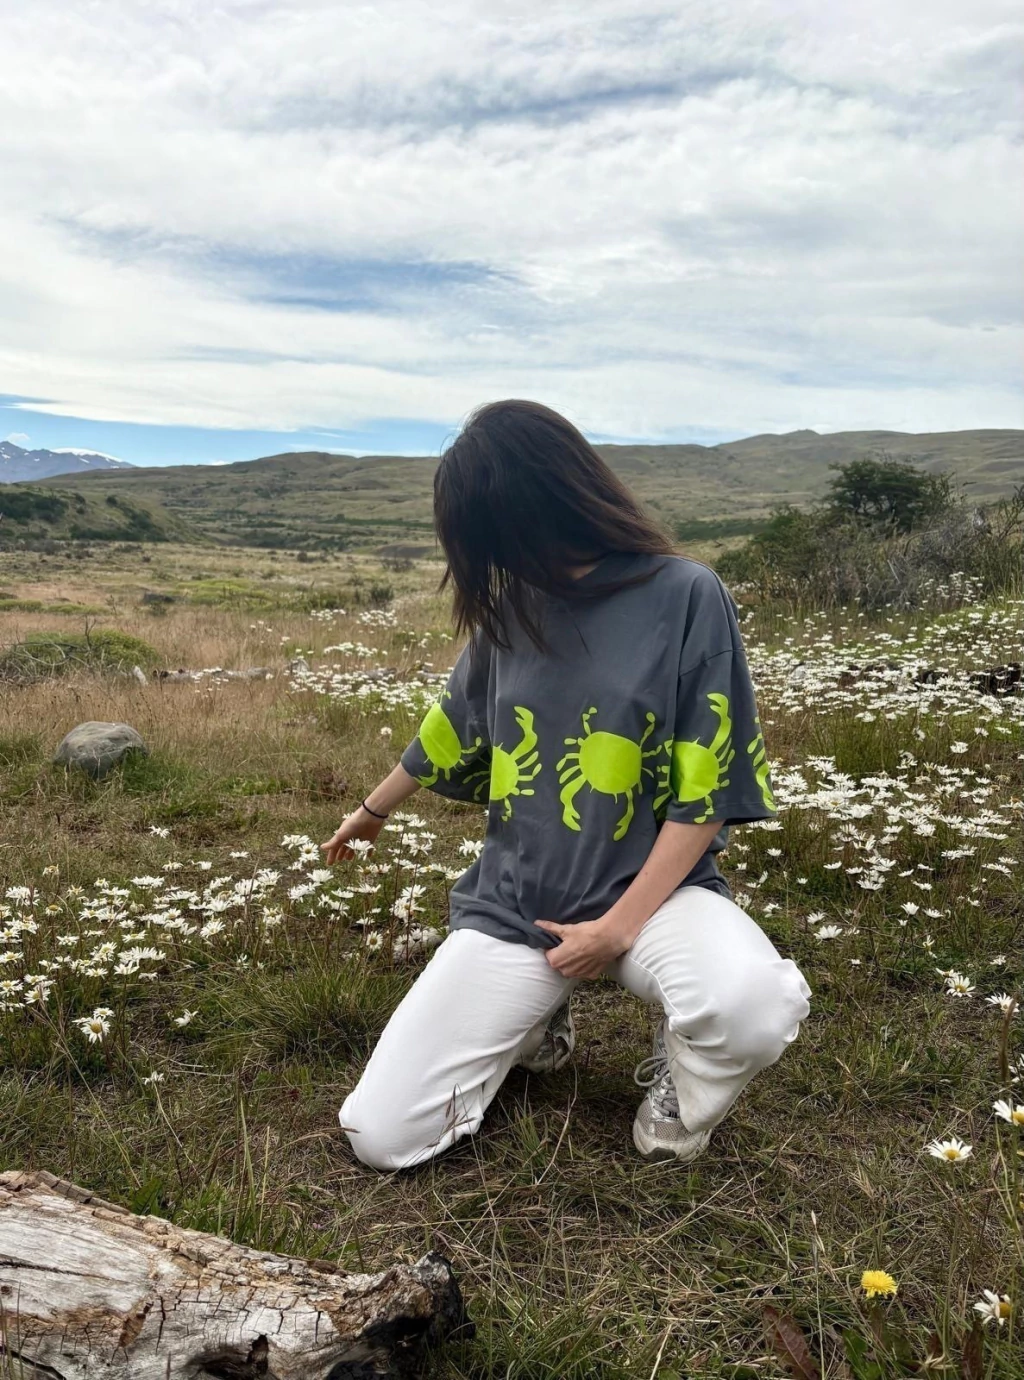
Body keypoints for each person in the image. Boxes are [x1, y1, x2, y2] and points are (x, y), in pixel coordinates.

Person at [322, 399, 812, 1172]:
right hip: (520, 902)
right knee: (381, 1136)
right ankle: (539, 1031)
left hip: (656, 900)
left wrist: (618, 928)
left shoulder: (686, 596)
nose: (489, 563)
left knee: (752, 1006)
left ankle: (683, 1099)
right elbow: (454, 722)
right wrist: (371, 810)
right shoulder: (513, 604)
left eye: (490, 537)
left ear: (543, 504)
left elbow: (704, 785)